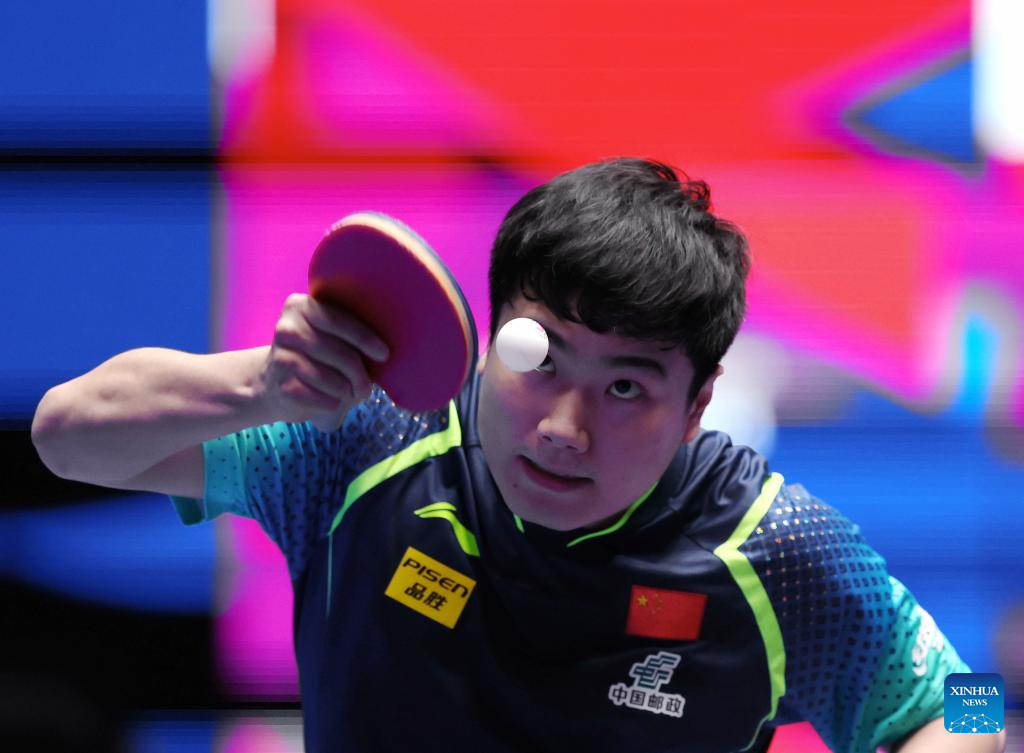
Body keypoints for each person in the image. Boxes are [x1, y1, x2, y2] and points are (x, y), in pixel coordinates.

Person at [32, 158, 1004, 753]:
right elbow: (69, 437)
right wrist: (260, 386)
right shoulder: (367, 447)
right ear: (492, 334)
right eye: (538, 359)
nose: (562, 426)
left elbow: (967, 701)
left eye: (625, 388)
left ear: (697, 405)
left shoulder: (769, 547)